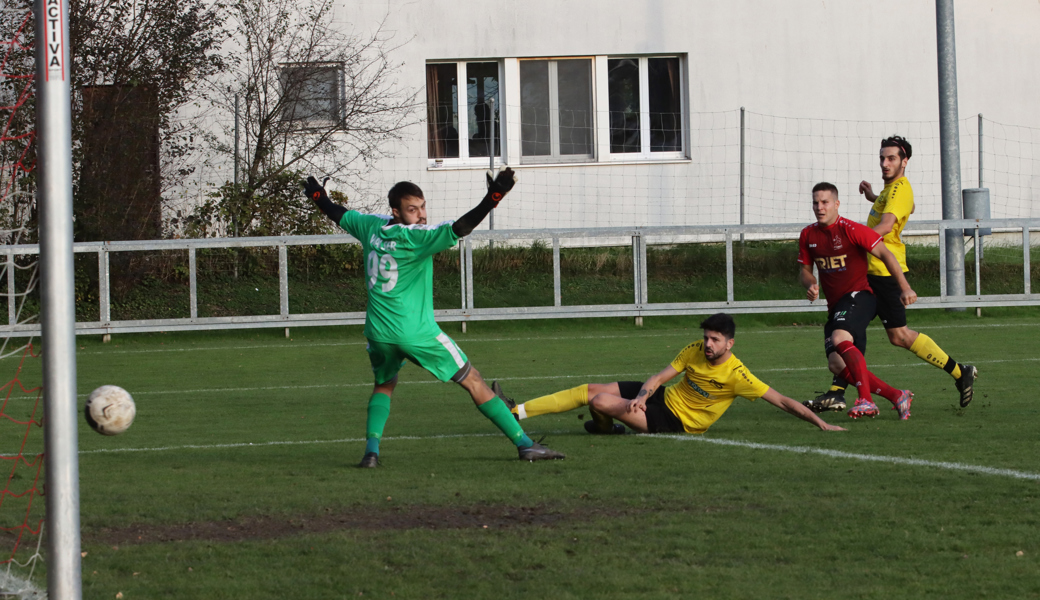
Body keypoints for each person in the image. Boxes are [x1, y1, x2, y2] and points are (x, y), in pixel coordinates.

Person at [302, 169, 565, 466]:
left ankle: (371, 454)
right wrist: (494, 198)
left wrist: (317, 197)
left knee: (384, 385)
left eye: (423, 206)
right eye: (412, 209)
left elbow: (336, 212)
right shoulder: (415, 237)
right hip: (417, 333)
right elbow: (460, 228)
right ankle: (525, 445)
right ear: (396, 211)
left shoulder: (370, 226)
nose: (421, 214)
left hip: (378, 333)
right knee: (474, 381)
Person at [804, 137, 977, 413]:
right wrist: (874, 196)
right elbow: (905, 207)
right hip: (866, 273)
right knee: (848, 332)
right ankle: (838, 392)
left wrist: (850, 235)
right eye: (882, 158)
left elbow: (885, 224)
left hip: (884, 273)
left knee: (899, 336)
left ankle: (959, 371)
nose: (885, 163)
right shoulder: (891, 190)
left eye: (892, 159)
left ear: (904, 161)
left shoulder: (900, 190)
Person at [492, 313, 846, 435]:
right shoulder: (694, 349)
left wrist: (821, 423)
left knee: (600, 401)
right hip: (661, 400)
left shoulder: (740, 376)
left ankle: (605, 424)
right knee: (592, 389)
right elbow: (660, 377)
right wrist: (643, 396)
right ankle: (516, 412)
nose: (707, 344)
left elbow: (783, 401)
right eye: (706, 338)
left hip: (678, 422)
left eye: (714, 340)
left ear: (730, 344)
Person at [798, 181, 915, 419]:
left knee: (840, 337)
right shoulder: (808, 234)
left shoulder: (851, 229)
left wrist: (905, 287)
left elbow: (886, 255)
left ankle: (866, 401)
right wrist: (810, 283)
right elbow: (804, 270)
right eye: (815, 202)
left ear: (836, 204)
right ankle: (896, 395)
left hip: (859, 297)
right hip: (836, 306)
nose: (819, 207)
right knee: (837, 365)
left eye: (825, 202)